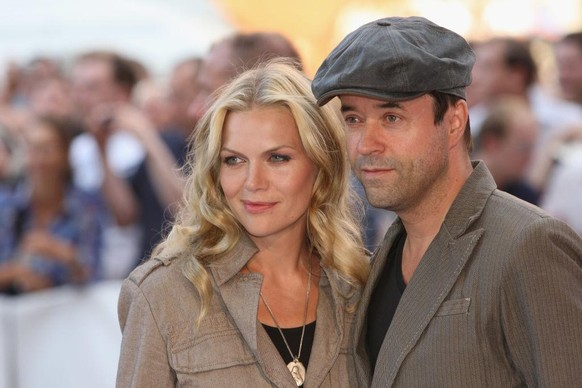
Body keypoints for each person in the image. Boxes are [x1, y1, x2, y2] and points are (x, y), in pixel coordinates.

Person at [312, 16, 582, 387]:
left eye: (391, 117)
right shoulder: (380, 259)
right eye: (354, 119)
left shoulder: (528, 244)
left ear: (454, 121)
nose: (365, 144)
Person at [116, 60, 370, 387]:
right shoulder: (163, 294)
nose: (253, 182)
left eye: (277, 157)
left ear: (321, 164)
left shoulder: (359, 288)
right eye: (234, 160)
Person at [0, 115, 105, 294]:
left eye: (46, 150)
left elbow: (95, 275)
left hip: (67, 316)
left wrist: (66, 255)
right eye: (32, 150)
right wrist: (17, 273)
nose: (38, 160)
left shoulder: (86, 206)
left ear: (65, 155)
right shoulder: (7, 205)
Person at [473, 96, 540, 204]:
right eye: (523, 148)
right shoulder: (454, 186)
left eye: (531, 148)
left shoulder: (524, 196)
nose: (529, 158)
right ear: (491, 143)